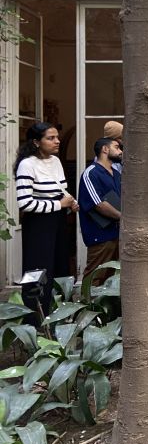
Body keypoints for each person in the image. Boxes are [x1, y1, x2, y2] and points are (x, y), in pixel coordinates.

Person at [14, 122, 77, 321]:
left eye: (57, 137)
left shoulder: (56, 161)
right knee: (38, 269)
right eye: (50, 138)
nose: (57, 141)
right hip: (38, 225)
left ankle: (60, 316)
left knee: (60, 266)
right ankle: (35, 319)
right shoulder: (27, 164)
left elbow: (60, 191)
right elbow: (25, 203)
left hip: (58, 221)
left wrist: (70, 203)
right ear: (36, 142)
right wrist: (59, 204)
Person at [78, 137, 123, 285]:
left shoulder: (116, 173)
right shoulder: (91, 173)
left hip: (116, 234)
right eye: (116, 147)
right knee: (95, 276)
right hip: (100, 235)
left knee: (111, 278)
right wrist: (122, 217)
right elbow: (98, 204)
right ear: (105, 149)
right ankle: (87, 300)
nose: (120, 151)